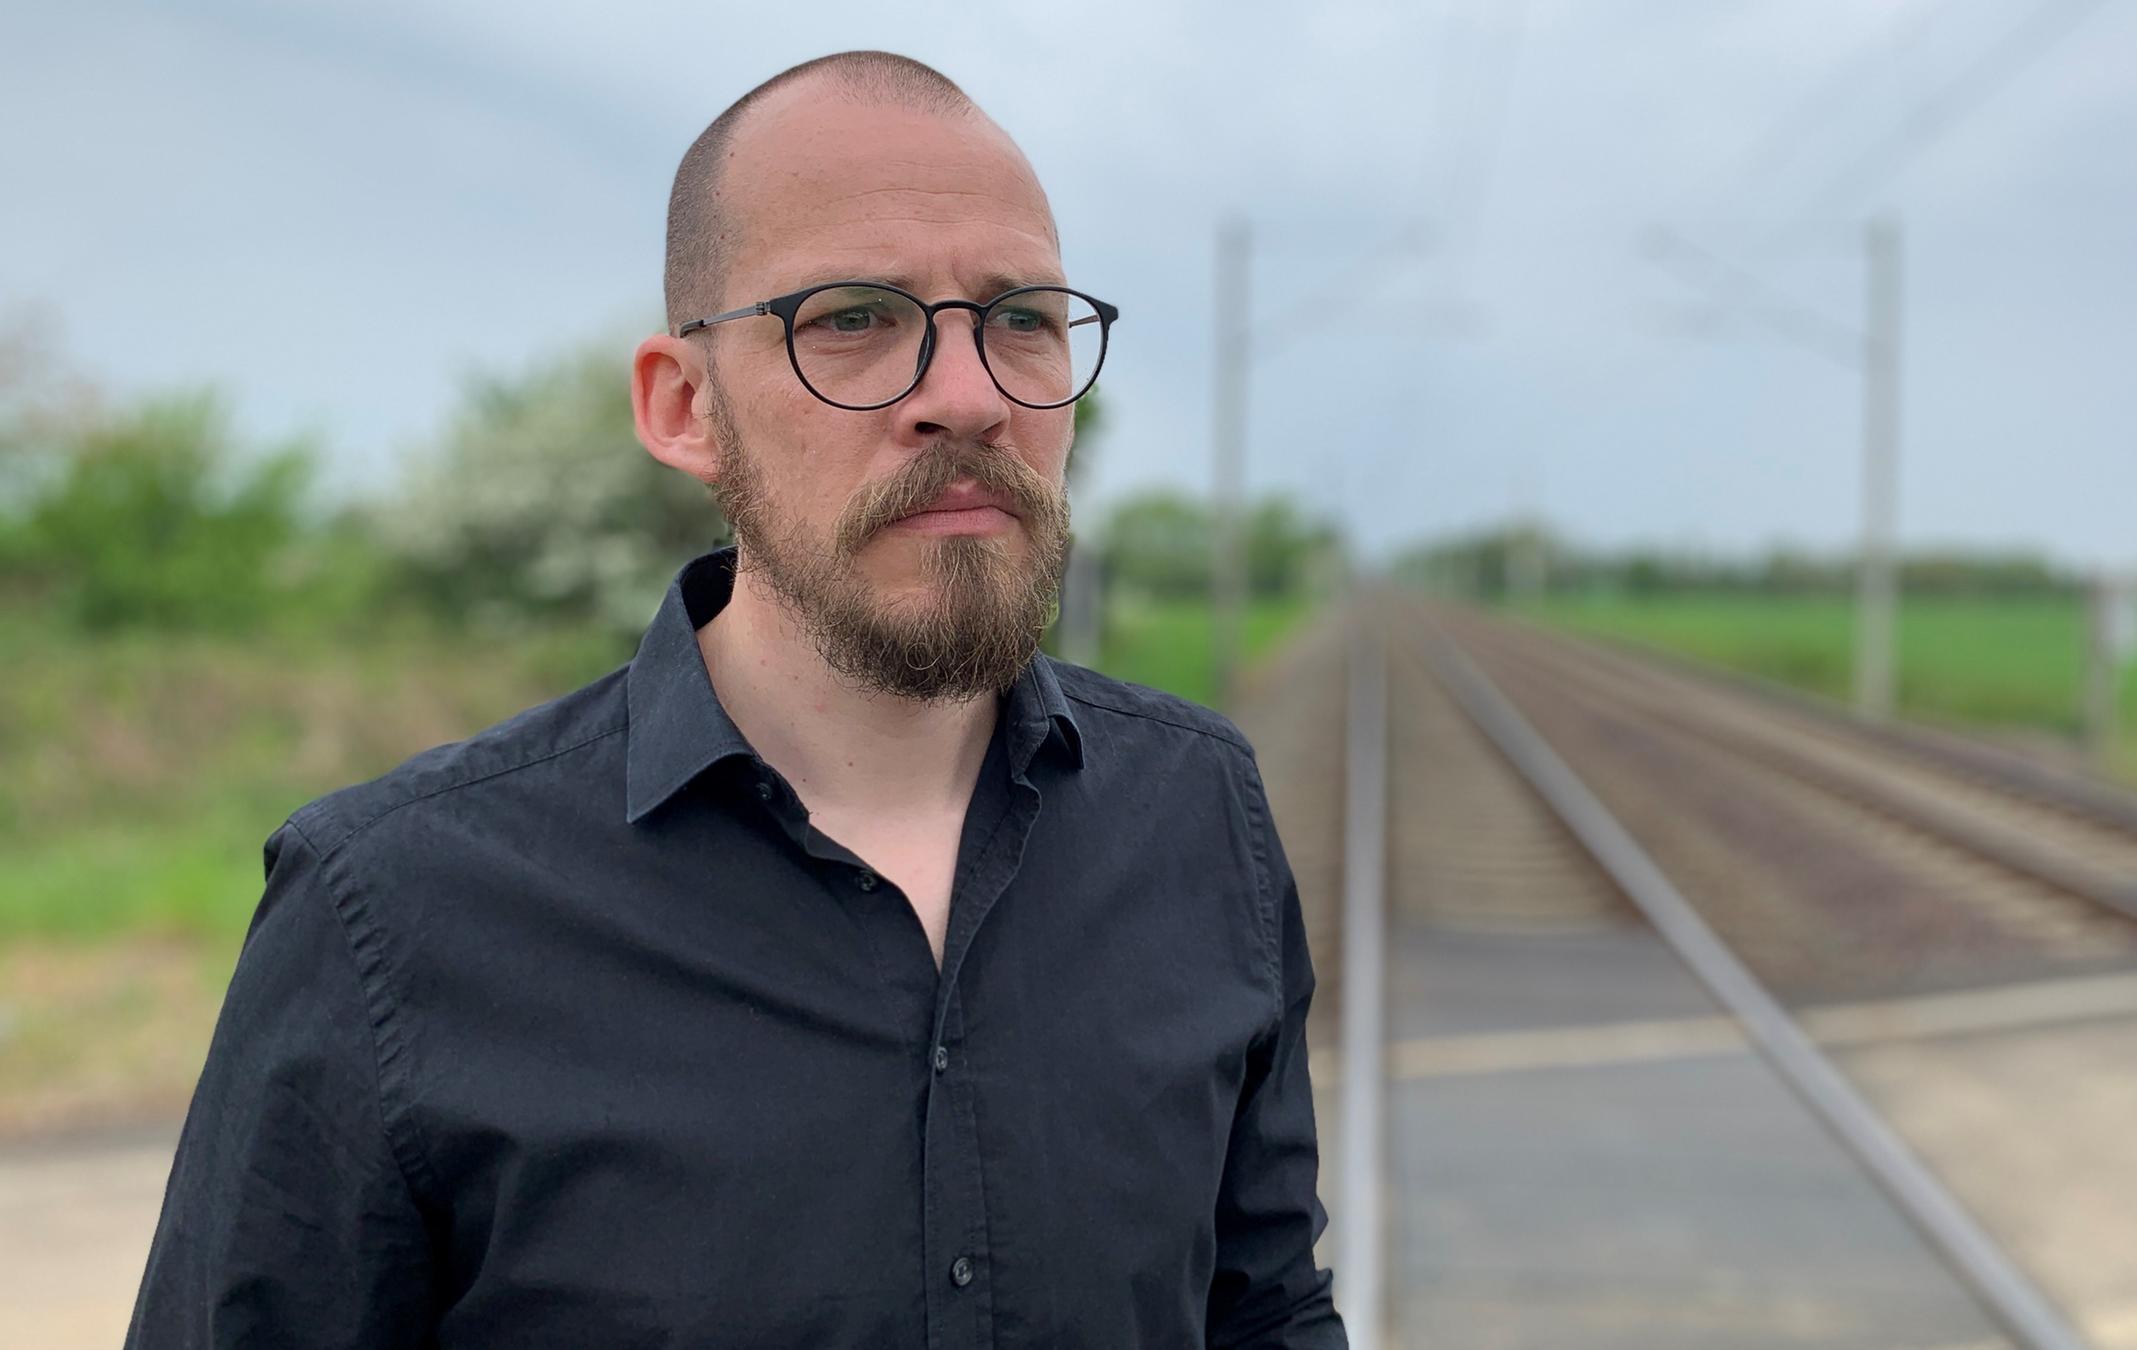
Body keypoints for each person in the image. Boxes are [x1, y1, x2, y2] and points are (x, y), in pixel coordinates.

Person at [124, 50, 1345, 1349]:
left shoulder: (1203, 813)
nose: (969, 396)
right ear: (683, 404)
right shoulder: (388, 916)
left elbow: (1263, 1307)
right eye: (856, 319)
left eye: (1024, 318)